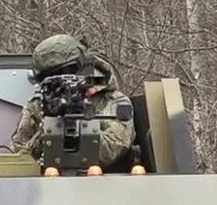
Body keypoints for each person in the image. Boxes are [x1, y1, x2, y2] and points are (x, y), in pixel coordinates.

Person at [11, 34, 136, 168]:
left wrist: (76, 120)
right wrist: (46, 130)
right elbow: (19, 158)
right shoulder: (37, 106)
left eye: (68, 71)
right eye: (51, 77)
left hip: (101, 178)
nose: (61, 81)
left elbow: (112, 150)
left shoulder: (113, 101)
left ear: (84, 68)